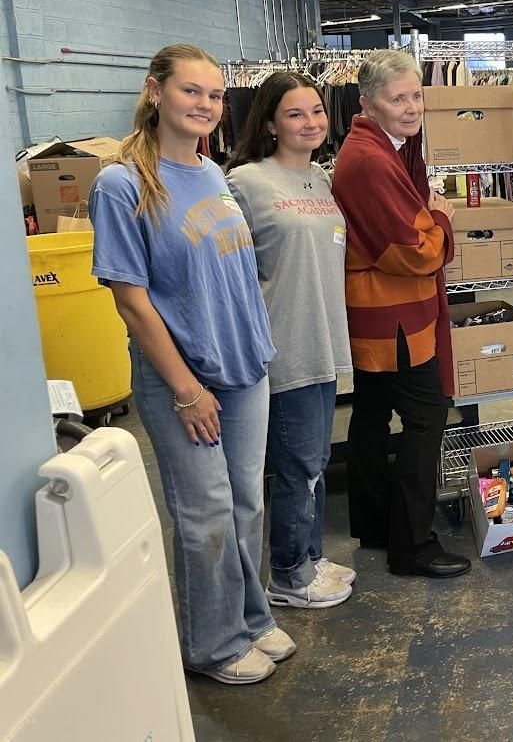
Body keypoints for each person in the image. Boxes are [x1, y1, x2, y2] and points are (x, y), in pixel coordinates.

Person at [89, 44, 291, 685]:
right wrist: (185, 390)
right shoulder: (121, 184)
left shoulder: (213, 173)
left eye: (215, 95)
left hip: (245, 367)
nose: (206, 104)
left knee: (245, 505)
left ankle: (252, 619)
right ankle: (214, 644)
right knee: (204, 517)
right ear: (155, 91)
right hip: (185, 377)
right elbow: (131, 297)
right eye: (191, 92)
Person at [330, 49, 471, 578]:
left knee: (370, 414)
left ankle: (374, 523)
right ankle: (411, 545)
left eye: (416, 95)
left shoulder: (385, 148)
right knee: (426, 416)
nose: (412, 108)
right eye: (398, 99)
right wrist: (439, 215)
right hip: (392, 317)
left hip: (380, 310)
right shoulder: (370, 161)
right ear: (367, 102)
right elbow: (412, 251)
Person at [225, 73, 355, 609]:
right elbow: (231, 274)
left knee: (315, 458)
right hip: (283, 343)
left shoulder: (322, 180)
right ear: (271, 122)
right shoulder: (246, 183)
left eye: (317, 111)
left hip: (324, 339)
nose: (311, 122)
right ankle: (288, 573)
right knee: (297, 463)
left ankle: (309, 553)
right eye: (296, 113)